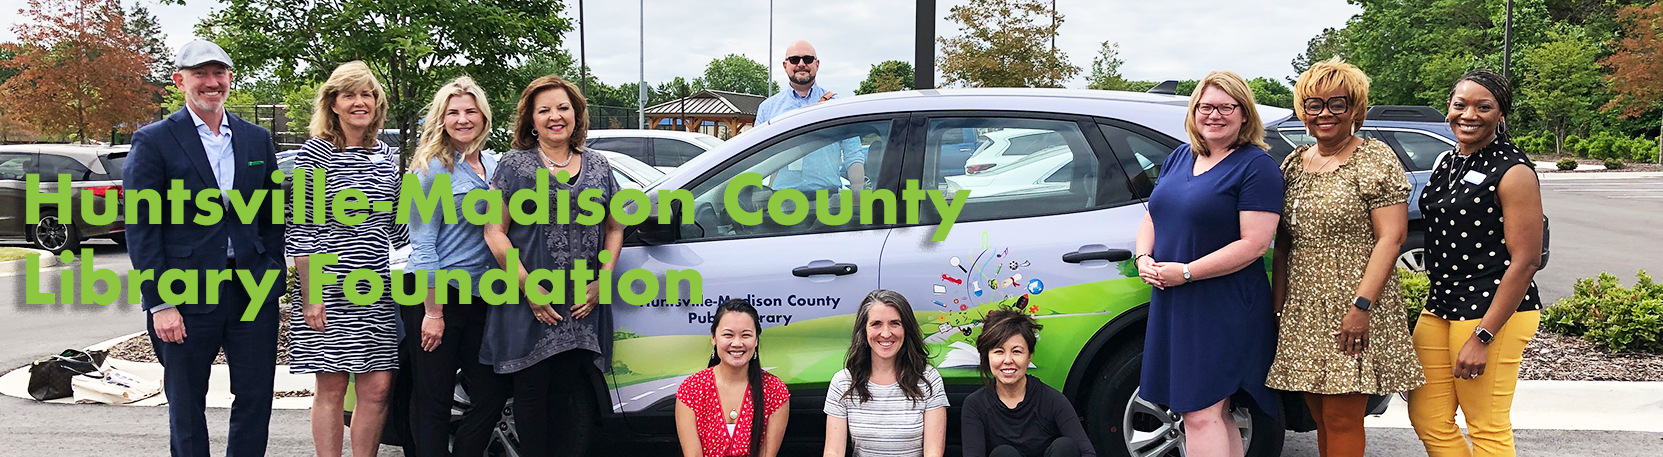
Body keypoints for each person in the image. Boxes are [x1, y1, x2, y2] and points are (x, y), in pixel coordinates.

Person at [124, 39, 286, 457]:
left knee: (255, 399)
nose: (211, 83)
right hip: (184, 292)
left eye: (219, 74)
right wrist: (160, 304)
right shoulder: (154, 140)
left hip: (250, 291)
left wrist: (271, 275)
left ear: (230, 78)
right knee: (186, 403)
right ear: (180, 81)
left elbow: (271, 216)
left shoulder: (255, 139)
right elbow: (142, 229)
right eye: (200, 74)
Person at [1267, 58, 1426, 457]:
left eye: (1337, 104)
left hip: (1354, 303)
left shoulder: (1373, 159)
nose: (1324, 114)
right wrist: (1278, 306)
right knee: (1318, 414)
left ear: (1356, 109)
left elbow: (1392, 237)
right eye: (1313, 104)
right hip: (1305, 307)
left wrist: (1361, 306)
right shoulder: (1295, 163)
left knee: (1342, 418)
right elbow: (1284, 243)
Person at [1135, 70, 1284, 457]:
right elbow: (1153, 216)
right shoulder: (1180, 156)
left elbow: (1254, 243)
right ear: (1194, 110)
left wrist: (1185, 272)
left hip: (1223, 303)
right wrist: (1143, 257)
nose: (1214, 115)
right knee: (1209, 411)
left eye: (1225, 107)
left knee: (1200, 410)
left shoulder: (1256, 166)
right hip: (1176, 299)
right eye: (1206, 106)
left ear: (1244, 114)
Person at [481, 74, 625, 457]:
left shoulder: (598, 166)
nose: (555, 116)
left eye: (563, 108)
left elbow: (614, 228)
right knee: (531, 395)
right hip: (531, 302)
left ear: (576, 115)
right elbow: (494, 231)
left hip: (582, 303)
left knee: (567, 396)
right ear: (530, 120)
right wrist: (527, 285)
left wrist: (603, 280)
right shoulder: (513, 166)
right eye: (544, 110)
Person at [1407, 70, 1545, 457]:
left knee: (1486, 425)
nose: (1469, 114)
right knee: (1428, 417)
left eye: (1483, 107)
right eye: (1460, 104)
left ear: (1500, 115)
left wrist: (1483, 336)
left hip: (1491, 308)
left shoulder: (1513, 170)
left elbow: (1526, 259)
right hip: (1441, 304)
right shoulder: (1448, 160)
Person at [286, 60, 407, 457]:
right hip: (331, 289)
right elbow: (301, 231)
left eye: (367, 94)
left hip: (376, 288)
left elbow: (398, 228)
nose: (360, 102)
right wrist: (311, 295)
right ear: (333, 103)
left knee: (377, 387)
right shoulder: (314, 154)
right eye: (349, 95)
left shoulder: (388, 156)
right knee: (333, 385)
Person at [401, 76, 508, 457]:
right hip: (434, 294)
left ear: (483, 115)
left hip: (481, 296)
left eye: (470, 111)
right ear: (442, 119)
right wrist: (433, 311)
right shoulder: (430, 169)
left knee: (492, 392)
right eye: (453, 113)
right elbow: (423, 243)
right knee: (433, 398)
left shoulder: (495, 165)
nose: (463, 119)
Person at [823, 290, 949, 457]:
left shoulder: (928, 379)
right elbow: (833, 452)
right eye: (876, 324)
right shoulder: (843, 382)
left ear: (906, 329)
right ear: (864, 330)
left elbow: (933, 452)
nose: (886, 333)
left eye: (895, 323)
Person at [960, 310, 1095, 457]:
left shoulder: (1051, 400)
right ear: (987, 356)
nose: (1008, 360)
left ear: (1029, 356)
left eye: (1017, 351)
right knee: (1004, 454)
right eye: (999, 351)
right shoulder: (975, 405)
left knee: (1065, 447)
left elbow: (1087, 452)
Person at [676, 300, 792, 457]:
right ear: (714, 338)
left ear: (756, 340)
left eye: (746, 335)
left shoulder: (775, 391)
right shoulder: (692, 389)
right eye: (728, 335)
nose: (737, 343)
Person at [755, 40, 864, 192]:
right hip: (780, 205)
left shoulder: (838, 106)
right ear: (785, 66)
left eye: (807, 59)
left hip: (829, 207)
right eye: (794, 59)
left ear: (817, 64)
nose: (801, 64)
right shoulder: (767, 109)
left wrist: (857, 197)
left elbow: (853, 155)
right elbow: (756, 160)